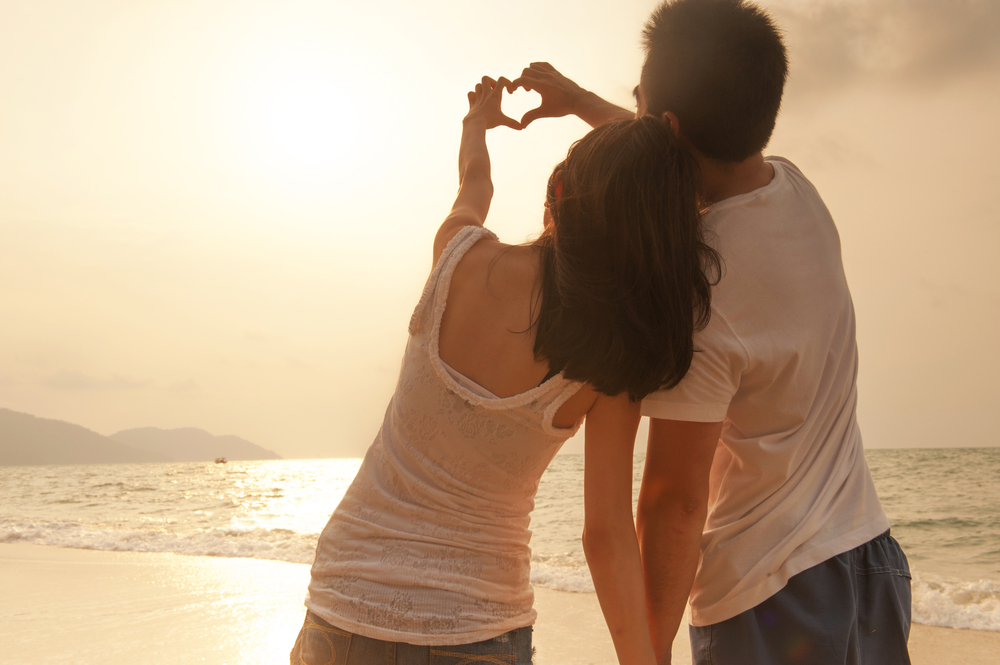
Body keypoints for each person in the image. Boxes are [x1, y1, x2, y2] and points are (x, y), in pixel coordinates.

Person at [510, 1, 912, 664]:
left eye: (639, 101)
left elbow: (673, 499)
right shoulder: (795, 188)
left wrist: (652, 649)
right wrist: (581, 100)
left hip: (770, 599)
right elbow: (679, 157)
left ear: (665, 125)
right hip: (870, 562)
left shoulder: (700, 292)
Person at [290, 75, 718, 665]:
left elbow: (475, 182)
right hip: (474, 628)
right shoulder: (610, 359)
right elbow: (608, 535)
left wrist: (477, 124)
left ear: (560, 188)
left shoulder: (458, 255)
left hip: (341, 603)